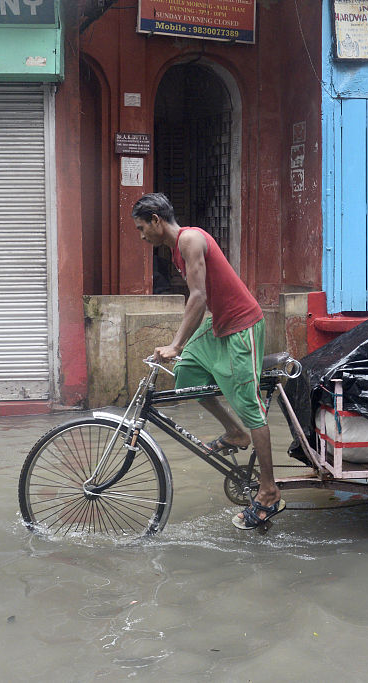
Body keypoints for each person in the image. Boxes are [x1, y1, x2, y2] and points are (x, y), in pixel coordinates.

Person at [132, 193, 284, 530]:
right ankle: (234, 433)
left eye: (143, 228)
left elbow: (198, 296)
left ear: (156, 220)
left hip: (242, 326)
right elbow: (202, 300)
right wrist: (182, 349)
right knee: (186, 376)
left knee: (251, 407)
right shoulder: (177, 250)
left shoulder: (189, 239)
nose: (142, 236)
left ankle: (269, 490)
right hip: (218, 325)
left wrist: (175, 343)